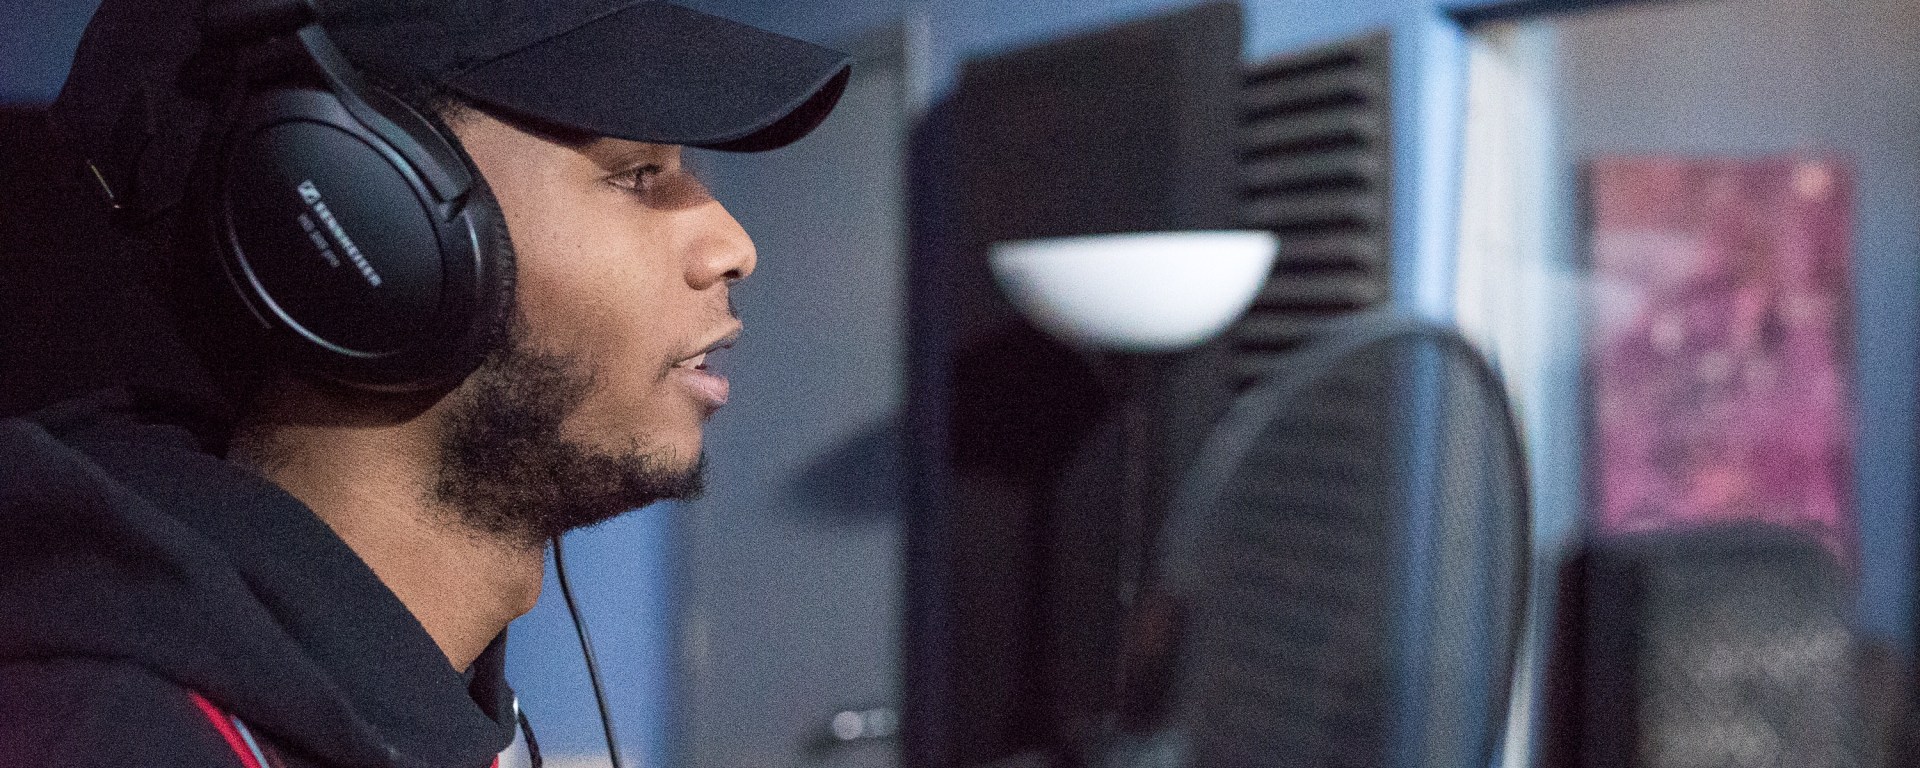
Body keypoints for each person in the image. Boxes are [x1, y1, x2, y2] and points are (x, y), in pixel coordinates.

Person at [0, 1, 848, 766]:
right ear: (361, 215)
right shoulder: (110, 738)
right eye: (635, 174)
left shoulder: (423, 711)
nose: (734, 247)